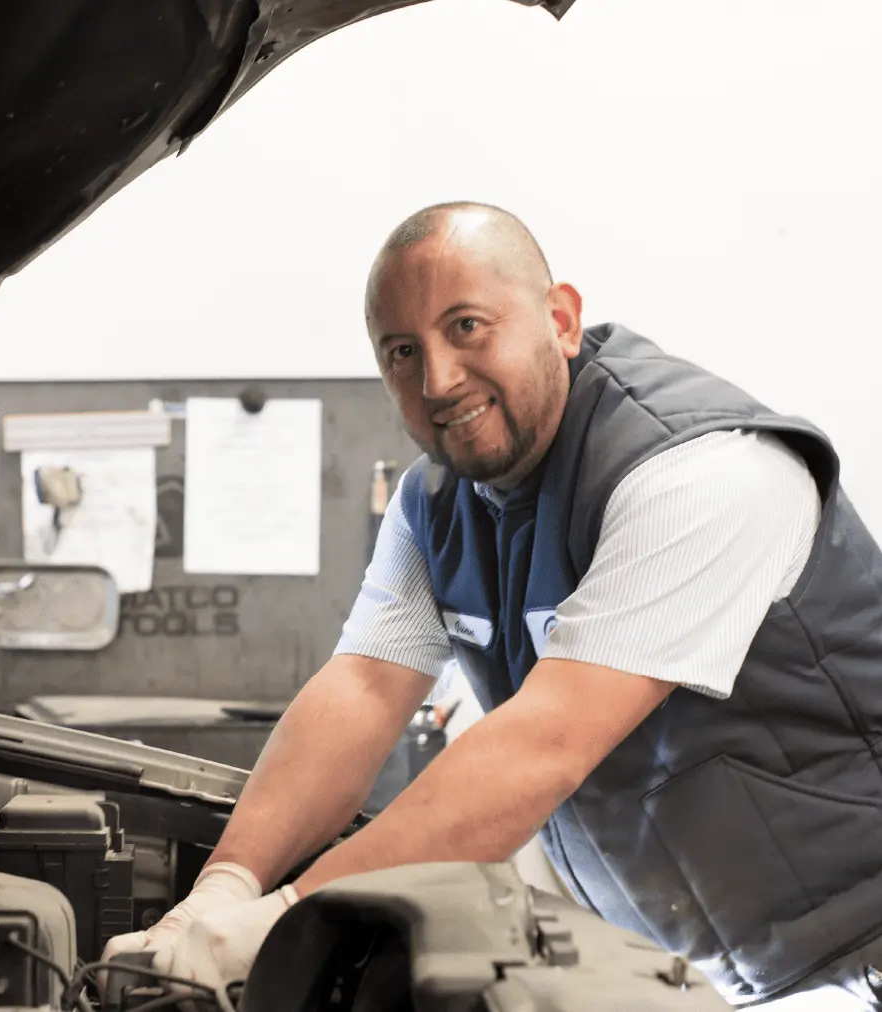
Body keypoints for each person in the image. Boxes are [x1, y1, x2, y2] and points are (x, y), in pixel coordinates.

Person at [103, 202, 882, 1010]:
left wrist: (284, 924)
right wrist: (224, 891)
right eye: (403, 351)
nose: (438, 380)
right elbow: (363, 688)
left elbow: (540, 747)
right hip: (691, 968)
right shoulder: (435, 502)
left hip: (850, 962)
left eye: (467, 327)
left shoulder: (701, 474)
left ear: (562, 320)